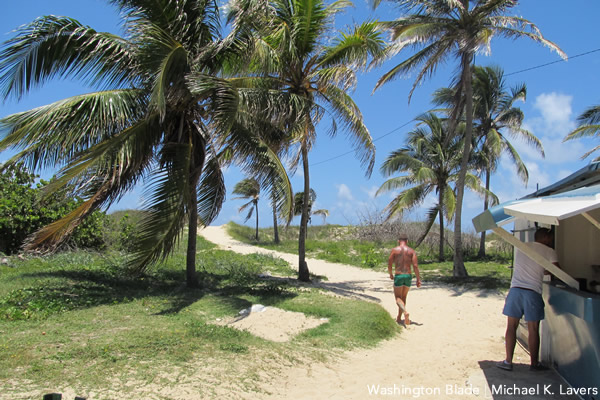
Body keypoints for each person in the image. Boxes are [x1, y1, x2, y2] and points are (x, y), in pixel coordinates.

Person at [496, 228, 559, 372]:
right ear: (545, 237)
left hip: (515, 290)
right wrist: (543, 270)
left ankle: (508, 362)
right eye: (550, 238)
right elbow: (557, 271)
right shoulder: (550, 251)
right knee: (533, 329)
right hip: (532, 292)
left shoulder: (523, 248)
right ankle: (534, 364)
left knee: (511, 327)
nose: (551, 241)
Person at [388, 234, 421, 325]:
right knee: (404, 297)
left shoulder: (395, 250)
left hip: (399, 275)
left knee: (398, 298)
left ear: (399, 241)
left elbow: (390, 263)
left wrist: (391, 274)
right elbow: (415, 266)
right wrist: (418, 279)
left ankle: (405, 312)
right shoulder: (411, 251)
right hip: (408, 276)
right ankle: (399, 318)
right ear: (407, 241)